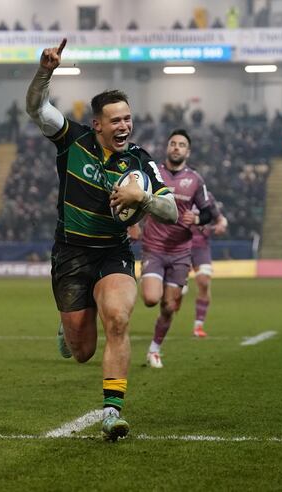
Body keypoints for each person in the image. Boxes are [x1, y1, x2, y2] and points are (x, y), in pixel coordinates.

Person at [26, 39, 177, 441]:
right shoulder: (72, 141)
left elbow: (172, 211)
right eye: (115, 120)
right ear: (97, 124)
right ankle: (67, 323)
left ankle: (112, 411)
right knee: (82, 351)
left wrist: (141, 197)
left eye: (128, 119)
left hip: (114, 253)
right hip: (71, 254)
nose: (124, 126)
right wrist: (45, 72)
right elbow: (37, 109)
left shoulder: (142, 163)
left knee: (119, 319)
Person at [140, 129, 215, 369]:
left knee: (169, 306)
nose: (176, 147)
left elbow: (208, 212)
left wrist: (197, 220)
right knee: (151, 299)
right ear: (167, 147)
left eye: (181, 145)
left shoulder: (195, 179)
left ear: (187, 151)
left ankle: (154, 350)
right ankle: (165, 284)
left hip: (182, 251)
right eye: (173, 143)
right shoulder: (154, 174)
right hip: (154, 247)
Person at [189, 191, 228, 337]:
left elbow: (221, 219)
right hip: (179, 245)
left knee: (204, 282)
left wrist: (221, 225)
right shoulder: (175, 193)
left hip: (201, 247)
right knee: (175, 294)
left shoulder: (207, 197)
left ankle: (198, 326)